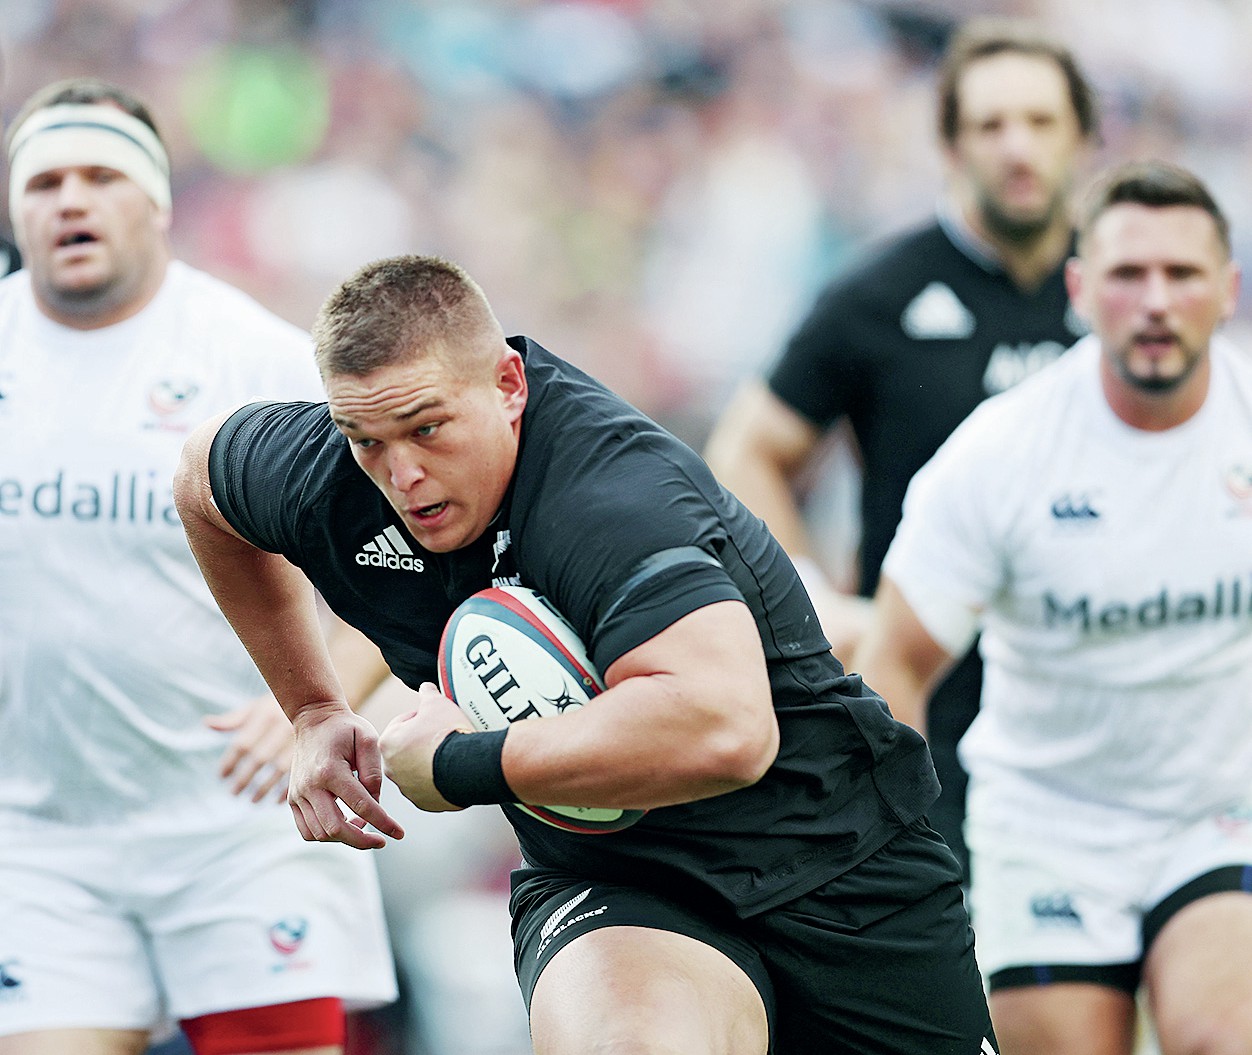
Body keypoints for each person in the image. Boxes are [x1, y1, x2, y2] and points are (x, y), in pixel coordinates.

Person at [173, 253, 998, 1055]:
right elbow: (200, 482)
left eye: (427, 428)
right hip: (619, 880)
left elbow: (729, 729)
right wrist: (313, 708)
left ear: (508, 384)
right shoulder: (330, 472)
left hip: (837, 861)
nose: (403, 474)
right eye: (365, 439)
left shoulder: (610, 497)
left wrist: (458, 764)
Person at [0, 78, 396, 1054]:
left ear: (158, 201)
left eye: (102, 175)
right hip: (38, 837)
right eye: (44, 181)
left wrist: (319, 698)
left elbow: (400, 556)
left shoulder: (257, 362)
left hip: (241, 823)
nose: (71, 199)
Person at [852, 160, 1252, 1055]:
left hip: (1218, 810)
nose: (1156, 301)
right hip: (1047, 825)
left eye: (1183, 273)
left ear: (1228, 289)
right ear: (1079, 289)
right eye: (1128, 274)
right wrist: (909, 858)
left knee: (1223, 1035)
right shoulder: (1002, 452)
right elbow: (896, 663)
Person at [702, 17, 1097, 880]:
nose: (1018, 147)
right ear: (950, 146)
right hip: (928, 701)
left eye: (1040, 121)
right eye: (991, 125)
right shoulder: (880, 293)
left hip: (1093, 694)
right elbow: (745, 449)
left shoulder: (1128, 293)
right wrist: (815, 605)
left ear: (1083, 138)